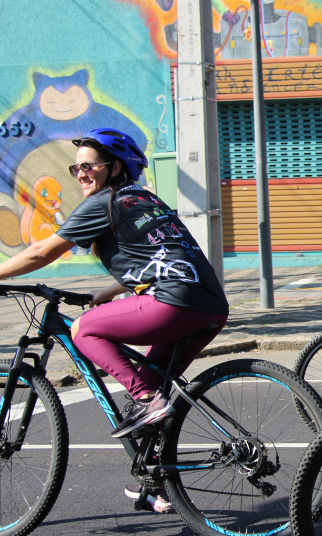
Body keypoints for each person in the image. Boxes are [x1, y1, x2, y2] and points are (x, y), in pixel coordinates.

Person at [0, 128, 229, 511]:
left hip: (171, 302)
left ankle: (146, 400)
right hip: (210, 305)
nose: (81, 174)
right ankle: (156, 483)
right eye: (76, 168)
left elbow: (40, 252)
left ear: (115, 168)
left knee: (84, 329)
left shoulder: (102, 203)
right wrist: (107, 292)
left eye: (89, 166)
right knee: (152, 385)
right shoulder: (144, 199)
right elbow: (157, 255)